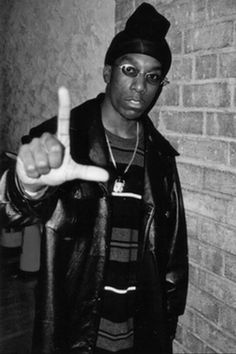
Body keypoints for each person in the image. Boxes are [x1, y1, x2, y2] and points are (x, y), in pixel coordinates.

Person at [0, 3, 188, 354]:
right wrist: (27, 184)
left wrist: (168, 321)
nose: (139, 87)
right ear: (107, 71)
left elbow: (173, 251)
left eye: (152, 76)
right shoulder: (62, 141)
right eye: (129, 69)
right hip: (77, 332)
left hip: (141, 331)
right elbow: (11, 212)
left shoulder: (161, 157)